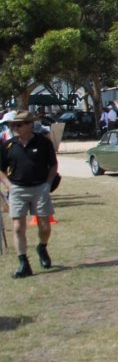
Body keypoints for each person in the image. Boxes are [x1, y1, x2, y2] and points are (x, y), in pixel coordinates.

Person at [0, 110, 59, 279]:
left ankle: (42, 247)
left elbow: (53, 165)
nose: (14, 128)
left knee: (44, 227)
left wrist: (47, 184)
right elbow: (1, 170)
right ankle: (23, 263)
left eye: (18, 125)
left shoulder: (43, 143)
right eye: (12, 125)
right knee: (18, 227)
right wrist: (9, 186)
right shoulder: (8, 145)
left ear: (29, 125)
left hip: (40, 188)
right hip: (17, 189)